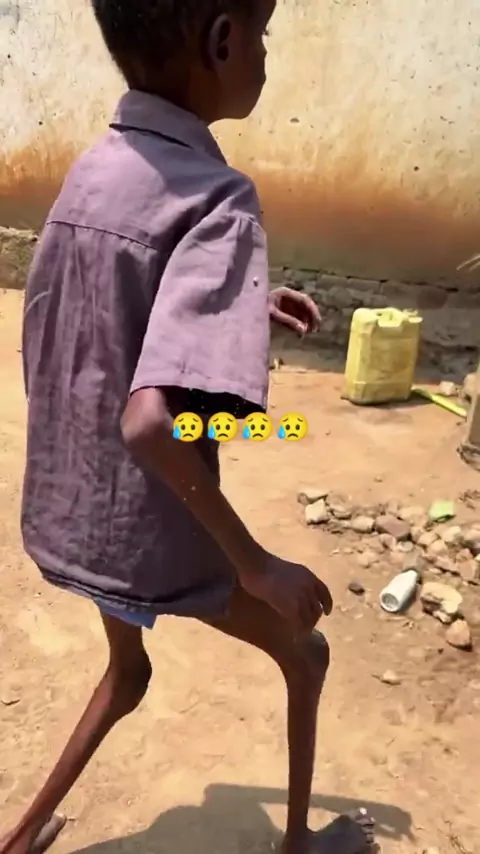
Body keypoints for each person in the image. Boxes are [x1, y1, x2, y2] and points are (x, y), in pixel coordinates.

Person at [2, 1, 376, 853]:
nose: (266, 52)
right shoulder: (219, 198)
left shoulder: (92, 170)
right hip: (148, 537)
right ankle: (297, 848)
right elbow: (149, 425)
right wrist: (256, 565)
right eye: (264, 33)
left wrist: (242, 305)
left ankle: (17, 839)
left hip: (67, 517)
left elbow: (105, 302)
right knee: (307, 653)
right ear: (224, 41)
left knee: (125, 673)